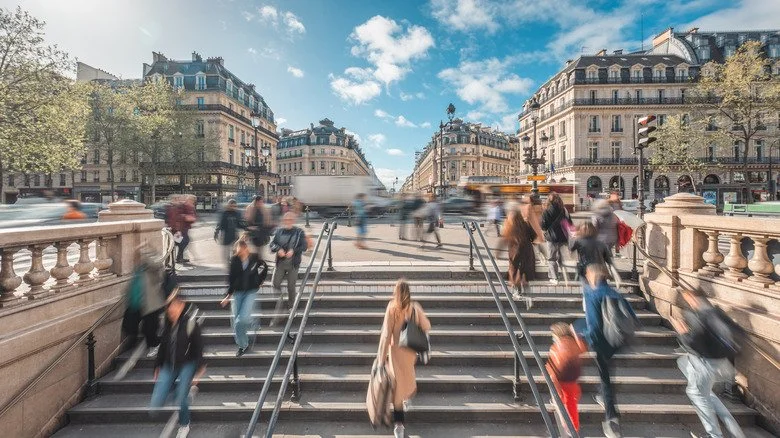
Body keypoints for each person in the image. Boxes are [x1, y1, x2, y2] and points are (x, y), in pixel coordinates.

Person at [671, 290, 746, 438]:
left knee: (696, 393)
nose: (688, 303)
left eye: (688, 299)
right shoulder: (717, 312)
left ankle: (715, 435)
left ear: (694, 298)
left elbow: (696, 343)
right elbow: (740, 332)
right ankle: (736, 433)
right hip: (723, 364)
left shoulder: (698, 315)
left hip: (707, 363)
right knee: (707, 394)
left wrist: (682, 332)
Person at [579, 263, 635, 438]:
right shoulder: (614, 293)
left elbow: (594, 326)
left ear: (593, 275)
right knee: (605, 374)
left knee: (605, 379)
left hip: (602, 342)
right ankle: (603, 396)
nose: (587, 277)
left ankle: (612, 419)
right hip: (617, 341)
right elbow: (631, 316)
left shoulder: (593, 295)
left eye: (588, 274)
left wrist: (583, 337)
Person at [376, 279, 431, 438]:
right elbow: (427, 325)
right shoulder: (415, 307)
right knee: (407, 379)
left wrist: (381, 359)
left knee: (397, 387)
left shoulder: (392, 308)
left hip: (395, 353)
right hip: (410, 352)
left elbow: (386, 334)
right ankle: (407, 398)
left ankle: (399, 425)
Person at [151, 289, 205, 438]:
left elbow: (198, 348)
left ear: (181, 306)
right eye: (169, 306)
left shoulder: (190, 324)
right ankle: (185, 394)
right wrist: (157, 365)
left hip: (187, 364)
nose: (171, 309)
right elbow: (162, 346)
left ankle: (184, 424)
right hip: (169, 364)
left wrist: (200, 370)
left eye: (174, 305)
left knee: (181, 396)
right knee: (155, 404)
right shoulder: (167, 325)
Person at [221, 240, 264, 356]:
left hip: (251, 292)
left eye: (242, 251)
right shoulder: (234, 261)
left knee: (241, 320)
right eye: (238, 252)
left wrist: (260, 281)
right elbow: (231, 279)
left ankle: (251, 322)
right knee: (237, 322)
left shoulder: (254, 258)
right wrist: (227, 296)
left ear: (246, 249)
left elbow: (264, 267)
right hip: (238, 293)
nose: (240, 254)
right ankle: (243, 345)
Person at [122, 248, 166, 358]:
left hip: (150, 304)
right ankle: (133, 341)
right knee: (128, 325)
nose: (137, 258)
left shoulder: (153, 271)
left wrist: (146, 256)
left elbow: (157, 264)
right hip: (135, 304)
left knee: (149, 329)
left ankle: (155, 345)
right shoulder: (138, 269)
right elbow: (133, 284)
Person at [546, 322, 587, 436]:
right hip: (573, 383)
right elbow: (583, 349)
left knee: (563, 407)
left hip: (561, 383)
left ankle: (569, 430)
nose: (553, 339)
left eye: (553, 337)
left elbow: (552, 370)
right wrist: (575, 334)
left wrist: (554, 386)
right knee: (571, 407)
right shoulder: (574, 344)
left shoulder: (556, 348)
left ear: (558, 336)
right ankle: (574, 428)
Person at [268, 212, 308, 326]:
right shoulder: (279, 231)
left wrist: (293, 251)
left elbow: (304, 247)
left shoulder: (299, 232)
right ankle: (281, 305)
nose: (288, 221)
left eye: (290, 219)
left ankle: (291, 307)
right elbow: (272, 244)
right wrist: (278, 249)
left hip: (293, 264)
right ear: (284, 221)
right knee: (275, 284)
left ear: (293, 220)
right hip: (280, 263)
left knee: (291, 287)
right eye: (286, 219)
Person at [502, 207, 536, 296]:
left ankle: (517, 291)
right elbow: (534, 236)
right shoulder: (525, 224)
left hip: (514, 251)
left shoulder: (510, 227)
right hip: (526, 250)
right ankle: (527, 290)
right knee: (523, 270)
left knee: (514, 270)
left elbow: (504, 239)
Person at [541, 193, 572, 285]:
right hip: (563, 237)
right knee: (559, 256)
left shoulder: (546, 211)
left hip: (551, 237)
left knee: (551, 258)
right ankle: (564, 275)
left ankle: (554, 278)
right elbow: (569, 223)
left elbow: (543, 226)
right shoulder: (564, 210)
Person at [214, 199, 245, 265]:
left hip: (234, 234)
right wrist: (216, 232)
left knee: (235, 250)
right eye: (231, 206)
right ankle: (228, 263)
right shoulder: (224, 213)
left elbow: (239, 224)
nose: (233, 207)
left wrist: (246, 228)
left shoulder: (237, 213)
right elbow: (220, 224)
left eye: (234, 206)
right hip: (226, 234)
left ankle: (233, 262)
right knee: (226, 251)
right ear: (228, 205)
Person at [519, 195, 547, 262]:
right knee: (536, 244)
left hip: (530, 228)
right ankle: (544, 258)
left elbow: (527, 217)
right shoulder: (538, 207)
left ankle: (542, 259)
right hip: (535, 228)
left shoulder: (529, 207)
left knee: (533, 244)